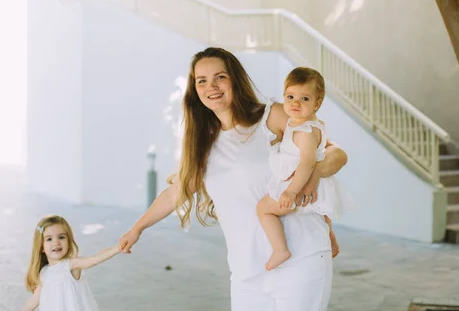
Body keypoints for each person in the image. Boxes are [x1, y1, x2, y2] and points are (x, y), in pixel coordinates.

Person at [119, 47, 348, 311]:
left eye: (220, 77)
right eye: (201, 81)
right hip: (246, 269)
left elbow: (336, 153)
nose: (211, 87)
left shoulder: (270, 117)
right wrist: (137, 228)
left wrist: (313, 174)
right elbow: (175, 193)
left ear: (235, 80)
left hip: (301, 256)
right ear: (195, 90)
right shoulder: (202, 144)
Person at [257, 67, 349, 271]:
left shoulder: (306, 131)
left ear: (317, 103)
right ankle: (331, 239)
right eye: (290, 97)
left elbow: (307, 163)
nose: (295, 103)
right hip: (304, 183)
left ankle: (280, 249)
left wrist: (291, 191)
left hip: (297, 185)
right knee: (322, 213)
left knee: (263, 209)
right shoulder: (300, 123)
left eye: (304, 99)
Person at [21, 215, 121, 311]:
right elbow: (35, 299)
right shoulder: (44, 272)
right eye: (49, 239)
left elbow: (95, 259)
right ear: (41, 246)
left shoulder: (71, 265)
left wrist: (118, 247)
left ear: (68, 241)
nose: (56, 243)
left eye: (61, 237)